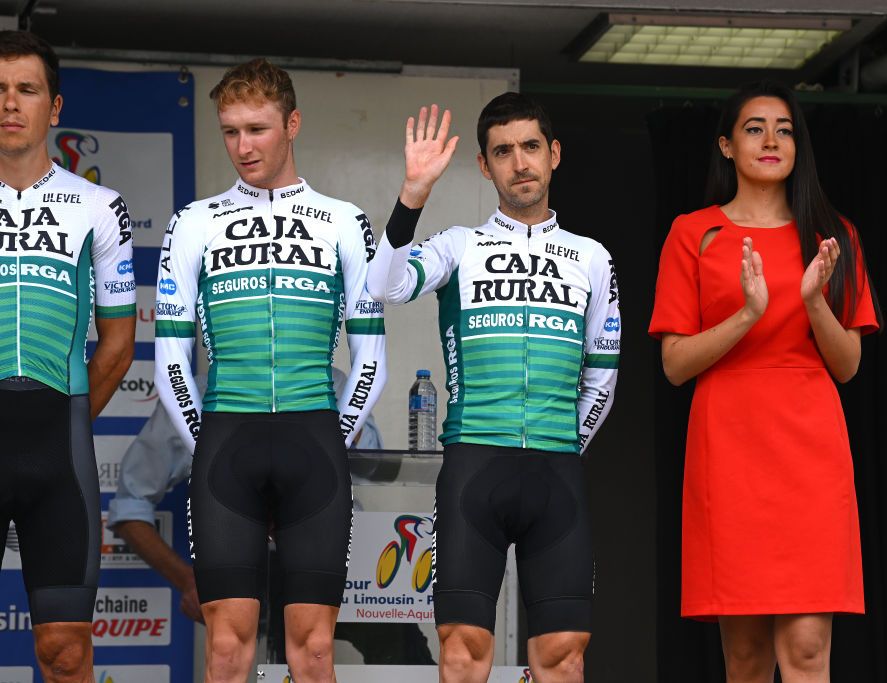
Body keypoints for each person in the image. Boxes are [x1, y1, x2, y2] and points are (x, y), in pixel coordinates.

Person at [367, 94, 621, 683]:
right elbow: (384, 284)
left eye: (531, 147)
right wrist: (413, 195)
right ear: (485, 166)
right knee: (462, 653)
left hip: (556, 472)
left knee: (563, 657)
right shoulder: (459, 246)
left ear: (554, 155)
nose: (519, 162)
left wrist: (560, 445)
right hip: (474, 468)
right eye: (503, 151)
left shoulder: (593, 258)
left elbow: (603, 375)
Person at [154, 58, 386, 682]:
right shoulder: (192, 224)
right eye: (229, 131)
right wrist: (208, 439)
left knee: (312, 652)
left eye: (256, 129)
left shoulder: (344, 221)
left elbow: (371, 355)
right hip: (228, 437)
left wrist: (334, 436)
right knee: (227, 650)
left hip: (315, 437)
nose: (242, 146)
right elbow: (170, 355)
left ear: (293, 124)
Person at [649, 80, 883, 683]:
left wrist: (811, 301)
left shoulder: (835, 236)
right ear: (726, 146)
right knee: (746, 655)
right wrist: (748, 314)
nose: (772, 140)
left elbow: (848, 364)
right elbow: (675, 364)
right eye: (755, 128)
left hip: (810, 447)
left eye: (784, 129)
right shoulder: (692, 232)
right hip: (729, 446)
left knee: (807, 647)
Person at [0, 30, 135, 681]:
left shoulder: (98, 206)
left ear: (53, 108)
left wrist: (72, 418)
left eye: (26, 89)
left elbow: (117, 341)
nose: (10, 102)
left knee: (66, 651)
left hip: (59, 446)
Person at [107, 369, 382, 625]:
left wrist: (321, 401)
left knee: (405, 656)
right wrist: (188, 581)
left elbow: (372, 467)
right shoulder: (196, 393)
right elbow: (130, 506)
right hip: (248, 577)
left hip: (343, 567)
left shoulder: (332, 382)